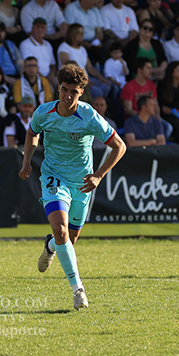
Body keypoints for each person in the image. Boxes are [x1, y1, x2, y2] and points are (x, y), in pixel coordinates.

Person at [20, 63, 127, 310]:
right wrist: (26, 162)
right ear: (58, 87)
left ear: (81, 92)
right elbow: (32, 133)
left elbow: (119, 146)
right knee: (61, 230)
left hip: (82, 183)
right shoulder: (44, 112)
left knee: (69, 238)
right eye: (64, 90)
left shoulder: (89, 116)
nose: (68, 96)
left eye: (74, 92)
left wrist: (99, 175)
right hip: (54, 177)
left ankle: (50, 246)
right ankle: (78, 289)